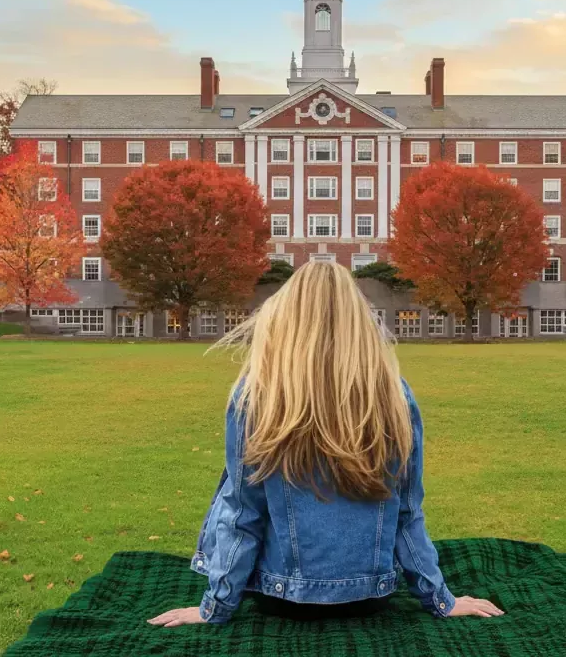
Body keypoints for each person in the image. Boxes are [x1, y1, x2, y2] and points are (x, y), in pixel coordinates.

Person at [148, 261, 504, 627]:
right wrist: (440, 600)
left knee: (235, 488)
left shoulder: (258, 395)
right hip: (370, 598)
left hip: (281, 598)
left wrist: (215, 607)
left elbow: (242, 514)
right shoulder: (394, 394)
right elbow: (407, 513)